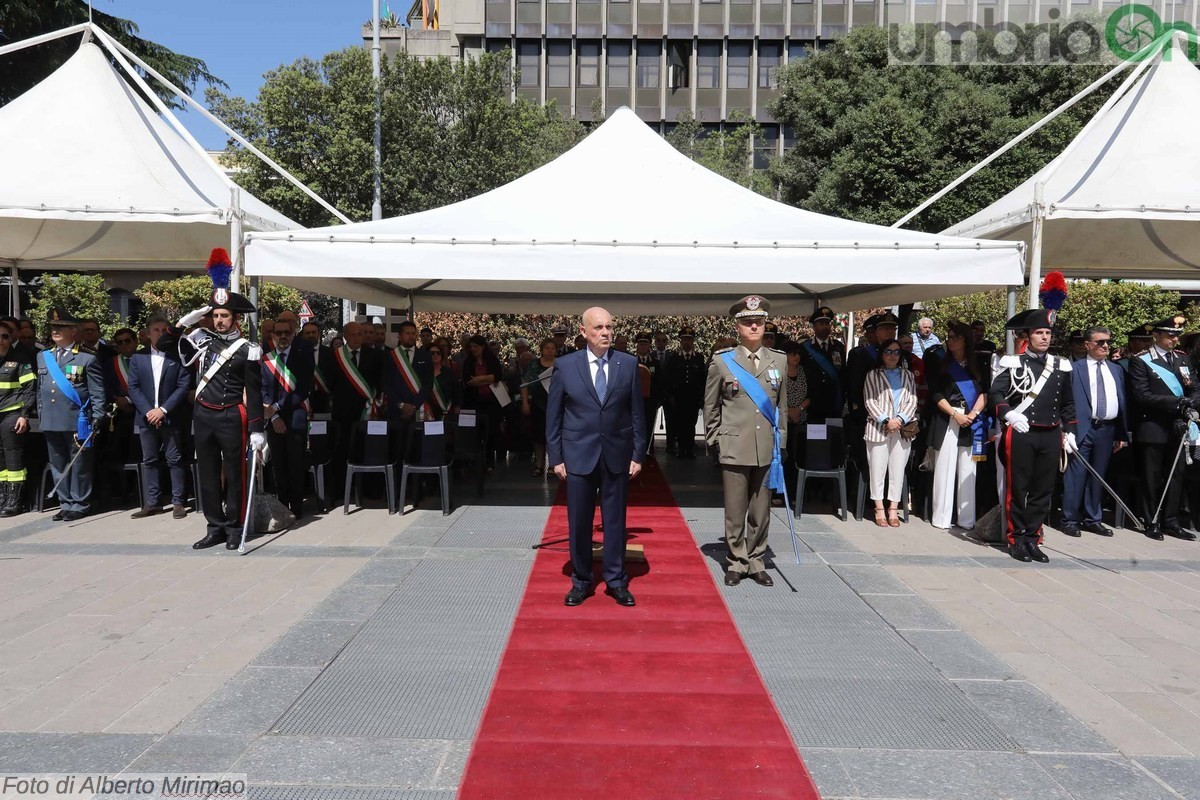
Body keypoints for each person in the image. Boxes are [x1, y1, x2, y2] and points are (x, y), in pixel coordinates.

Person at [547, 307, 645, 607]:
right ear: (584, 332)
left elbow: (637, 413)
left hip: (617, 454)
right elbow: (554, 416)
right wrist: (556, 457)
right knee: (579, 521)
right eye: (599, 328)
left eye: (609, 327)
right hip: (578, 456)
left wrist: (638, 453)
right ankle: (581, 580)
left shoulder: (627, 364)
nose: (605, 333)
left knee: (615, 521)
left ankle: (616, 580)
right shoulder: (565, 366)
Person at [175, 249, 266, 550]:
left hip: (231, 415)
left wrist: (257, 429)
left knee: (236, 474)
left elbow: (254, 391)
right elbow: (165, 345)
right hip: (203, 415)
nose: (219, 320)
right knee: (208, 473)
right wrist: (186, 323)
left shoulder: (247, 349)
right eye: (215, 315)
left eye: (224, 315)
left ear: (235, 318)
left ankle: (234, 527)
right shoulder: (202, 340)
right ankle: (214, 526)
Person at [705, 296, 787, 587]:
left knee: (761, 510)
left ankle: (757, 560)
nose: (754, 326)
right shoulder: (722, 361)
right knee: (735, 509)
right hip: (734, 445)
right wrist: (715, 439)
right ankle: (737, 562)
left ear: (765, 325)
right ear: (737, 326)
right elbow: (711, 406)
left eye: (759, 322)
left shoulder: (779, 360)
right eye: (747, 322)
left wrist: (782, 442)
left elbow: (782, 406)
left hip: (766, 446)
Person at [989, 308, 1076, 563]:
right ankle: (1016, 539)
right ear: (1028, 335)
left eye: (1048, 333)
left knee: (1043, 491)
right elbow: (996, 394)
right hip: (1021, 432)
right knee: (1018, 488)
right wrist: (1009, 415)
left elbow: (1069, 403)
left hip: (1050, 434)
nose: (1044, 337)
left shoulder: (1060, 365)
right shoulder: (1013, 362)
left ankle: (1033, 538)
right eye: (1039, 332)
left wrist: (1070, 431)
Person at [1127, 314, 1198, 541]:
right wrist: (1179, 403)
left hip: (1179, 426)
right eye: (1170, 335)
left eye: (1177, 336)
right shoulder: (1141, 360)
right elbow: (1142, 396)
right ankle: (1151, 520)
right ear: (1156, 335)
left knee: (1176, 475)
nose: (1175, 340)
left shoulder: (1182, 359)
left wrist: (1191, 403)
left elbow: (1194, 387)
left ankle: (1171, 520)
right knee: (1152, 476)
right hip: (1153, 426)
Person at [37, 309, 106, 521]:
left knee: (79, 464)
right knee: (58, 463)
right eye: (54, 328)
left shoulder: (87, 357)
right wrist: (41, 414)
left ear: (73, 331)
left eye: (61, 327)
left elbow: (97, 392)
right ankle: (65, 502)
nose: (56, 331)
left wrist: (97, 417)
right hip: (51, 419)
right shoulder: (43, 356)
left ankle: (79, 503)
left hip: (77, 419)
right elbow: (40, 389)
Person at [1060, 326, 1128, 538]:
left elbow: (1121, 401)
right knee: (1076, 475)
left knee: (1098, 475)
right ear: (1087, 345)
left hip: (1107, 429)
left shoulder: (1115, 369)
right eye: (1100, 342)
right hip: (1082, 428)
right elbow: (1065, 402)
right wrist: (1065, 430)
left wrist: (1120, 433)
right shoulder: (1074, 368)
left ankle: (1093, 518)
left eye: (1107, 342)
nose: (1105, 346)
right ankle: (1069, 518)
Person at [126, 316, 192, 520]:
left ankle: (178, 502)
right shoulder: (138, 358)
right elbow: (133, 387)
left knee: (174, 459)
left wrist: (163, 410)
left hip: (170, 416)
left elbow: (183, 386)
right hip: (146, 418)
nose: (161, 333)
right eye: (156, 330)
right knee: (150, 460)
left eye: (165, 330)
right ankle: (153, 502)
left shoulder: (177, 356)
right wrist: (149, 411)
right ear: (147, 334)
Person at [928, 322, 987, 531]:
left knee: (968, 469)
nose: (950, 341)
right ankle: (941, 518)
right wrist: (955, 414)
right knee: (944, 468)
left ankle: (966, 519)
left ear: (965, 340)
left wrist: (973, 414)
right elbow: (935, 393)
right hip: (948, 417)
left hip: (971, 417)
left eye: (955, 337)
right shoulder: (939, 362)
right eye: (949, 336)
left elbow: (984, 392)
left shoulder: (979, 363)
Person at [261, 318, 314, 520]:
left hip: (296, 417)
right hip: (273, 419)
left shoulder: (303, 358)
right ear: (272, 336)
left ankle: (297, 507)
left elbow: (302, 390)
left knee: (295, 463)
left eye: (287, 333)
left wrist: (277, 407)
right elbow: (263, 391)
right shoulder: (266, 360)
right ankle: (282, 506)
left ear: (293, 335)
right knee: (278, 465)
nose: (283, 336)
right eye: (279, 333)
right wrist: (274, 415)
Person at [323, 321, 383, 496]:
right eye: (353, 334)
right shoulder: (335, 357)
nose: (357, 338)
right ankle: (342, 491)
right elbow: (330, 383)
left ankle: (368, 490)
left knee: (368, 450)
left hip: (368, 411)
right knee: (342, 450)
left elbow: (379, 381)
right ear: (345, 336)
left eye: (360, 334)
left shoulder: (375, 356)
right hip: (343, 412)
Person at [863, 339, 918, 528]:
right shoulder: (872, 375)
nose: (892, 355)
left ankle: (893, 507)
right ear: (882, 354)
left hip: (902, 428)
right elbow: (870, 401)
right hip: (879, 427)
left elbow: (912, 400)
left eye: (896, 352)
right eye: (888, 351)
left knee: (897, 469)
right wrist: (887, 420)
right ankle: (879, 507)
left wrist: (900, 420)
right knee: (877, 469)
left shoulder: (908, 375)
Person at [0, 324, 34, 516]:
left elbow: (29, 389)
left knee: (13, 457)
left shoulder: (20, 359)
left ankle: (15, 501)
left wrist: (24, 415)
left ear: (11, 337)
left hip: (12, 413)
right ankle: (2, 496)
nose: (1, 341)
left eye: (5, 336)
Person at [461, 335, 504, 473]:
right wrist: (487, 379)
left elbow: (497, 376)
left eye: (476, 346)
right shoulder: (468, 362)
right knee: (475, 433)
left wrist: (480, 379)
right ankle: (475, 462)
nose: (473, 349)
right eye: (471, 347)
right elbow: (469, 380)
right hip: (473, 402)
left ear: (483, 346)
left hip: (491, 402)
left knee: (490, 433)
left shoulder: (492, 360)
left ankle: (490, 462)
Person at [663, 325, 706, 457]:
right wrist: (670, 396)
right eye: (684, 339)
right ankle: (681, 449)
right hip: (678, 398)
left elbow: (702, 379)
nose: (687, 342)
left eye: (689, 339)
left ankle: (690, 449)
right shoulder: (674, 358)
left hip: (693, 398)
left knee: (691, 423)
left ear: (693, 341)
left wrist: (701, 398)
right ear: (680, 341)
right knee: (679, 424)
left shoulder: (699, 358)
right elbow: (669, 378)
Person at [799, 306, 844, 423]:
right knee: (816, 440)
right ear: (814, 326)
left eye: (827, 323)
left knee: (834, 438)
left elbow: (843, 374)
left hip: (834, 403)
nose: (825, 326)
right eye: (821, 323)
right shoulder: (805, 348)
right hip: (814, 404)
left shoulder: (838, 347)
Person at [520, 338, 557, 476]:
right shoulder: (534, 364)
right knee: (538, 435)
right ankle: (539, 463)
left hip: (556, 405)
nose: (550, 350)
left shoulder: (561, 364)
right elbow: (524, 383)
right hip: (538, 404)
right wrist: (524, 402)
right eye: (547, 348)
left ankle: (553, 464)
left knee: (554, 435)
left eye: (552, 348)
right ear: (541, 350)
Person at [782, 340, 809, 499]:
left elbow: (811, 394)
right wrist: (787, 412)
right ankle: (781, 492)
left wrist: (798, 410)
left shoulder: (804, 371)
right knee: (785, 457)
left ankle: (796, 494)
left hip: (801, 419)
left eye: (798, 353)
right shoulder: (777, 371)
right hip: (783, 421)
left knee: (798, 457)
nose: (796, 357)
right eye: (792, 354)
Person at [426, 342, 460, 420]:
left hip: (446, 412)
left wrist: (457, 406)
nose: (435, 355)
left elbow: (456, 391)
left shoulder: (449, 372)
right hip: (428, 412)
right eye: (432, 353)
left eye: (438, 353)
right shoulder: (422, 373)